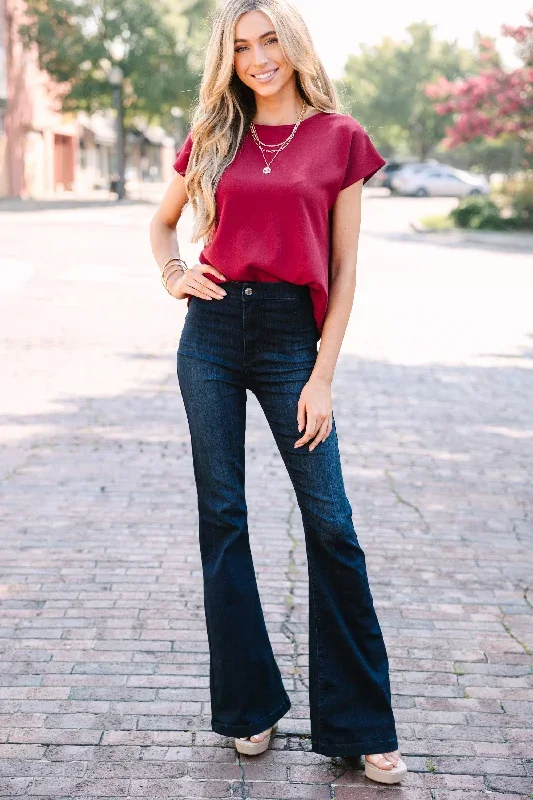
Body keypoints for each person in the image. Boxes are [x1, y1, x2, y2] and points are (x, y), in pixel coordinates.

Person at [149, 0, 407, 785]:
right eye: (241, 47)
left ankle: (360, 724)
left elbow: (347, 268)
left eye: (269, 41)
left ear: (292, 47)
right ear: (227, 59)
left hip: (296, 336)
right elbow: (163, 226)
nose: (258, 58)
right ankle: (248, 708)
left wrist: (322, 375)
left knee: (331, 525)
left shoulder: (340, 138)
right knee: (222, 517)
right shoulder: (214, 133)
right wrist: (172, 273)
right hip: (214, 333)